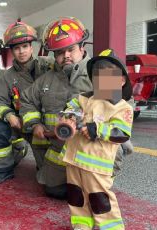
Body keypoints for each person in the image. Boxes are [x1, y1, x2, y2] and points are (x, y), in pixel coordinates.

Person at [20, 17, 92, 199]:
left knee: (92, 191)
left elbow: (121, 105)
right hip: (58, 146)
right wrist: (34, 123)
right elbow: (27, 99)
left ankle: (92, 181)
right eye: (60, 52)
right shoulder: (46, 79)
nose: (66, 55)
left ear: (82, 48)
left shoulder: (100, 72)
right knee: (53, 190)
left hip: (89, 145)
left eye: (71, 49)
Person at [61, 48, 133, 230]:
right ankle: (81, 225)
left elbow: (121, 133)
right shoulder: (84, 98)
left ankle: (111, 227)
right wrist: (69, 117)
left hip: (97, 166)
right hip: (74, 161)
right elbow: (69, 108)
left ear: (121, 80)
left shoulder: (122, 107)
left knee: (100, 199)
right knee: (76, 196)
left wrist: (97, 129)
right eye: (97, 75)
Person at [0, 21, 52, 184]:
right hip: (20, 124)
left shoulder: (48, 66)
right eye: (16, 48)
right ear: (12, 52)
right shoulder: (6, 77)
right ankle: (2, 170)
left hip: (45, 126)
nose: (21, 51)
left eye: (24, 46)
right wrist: (9, 116)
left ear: (32, 48)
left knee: (49, 177)